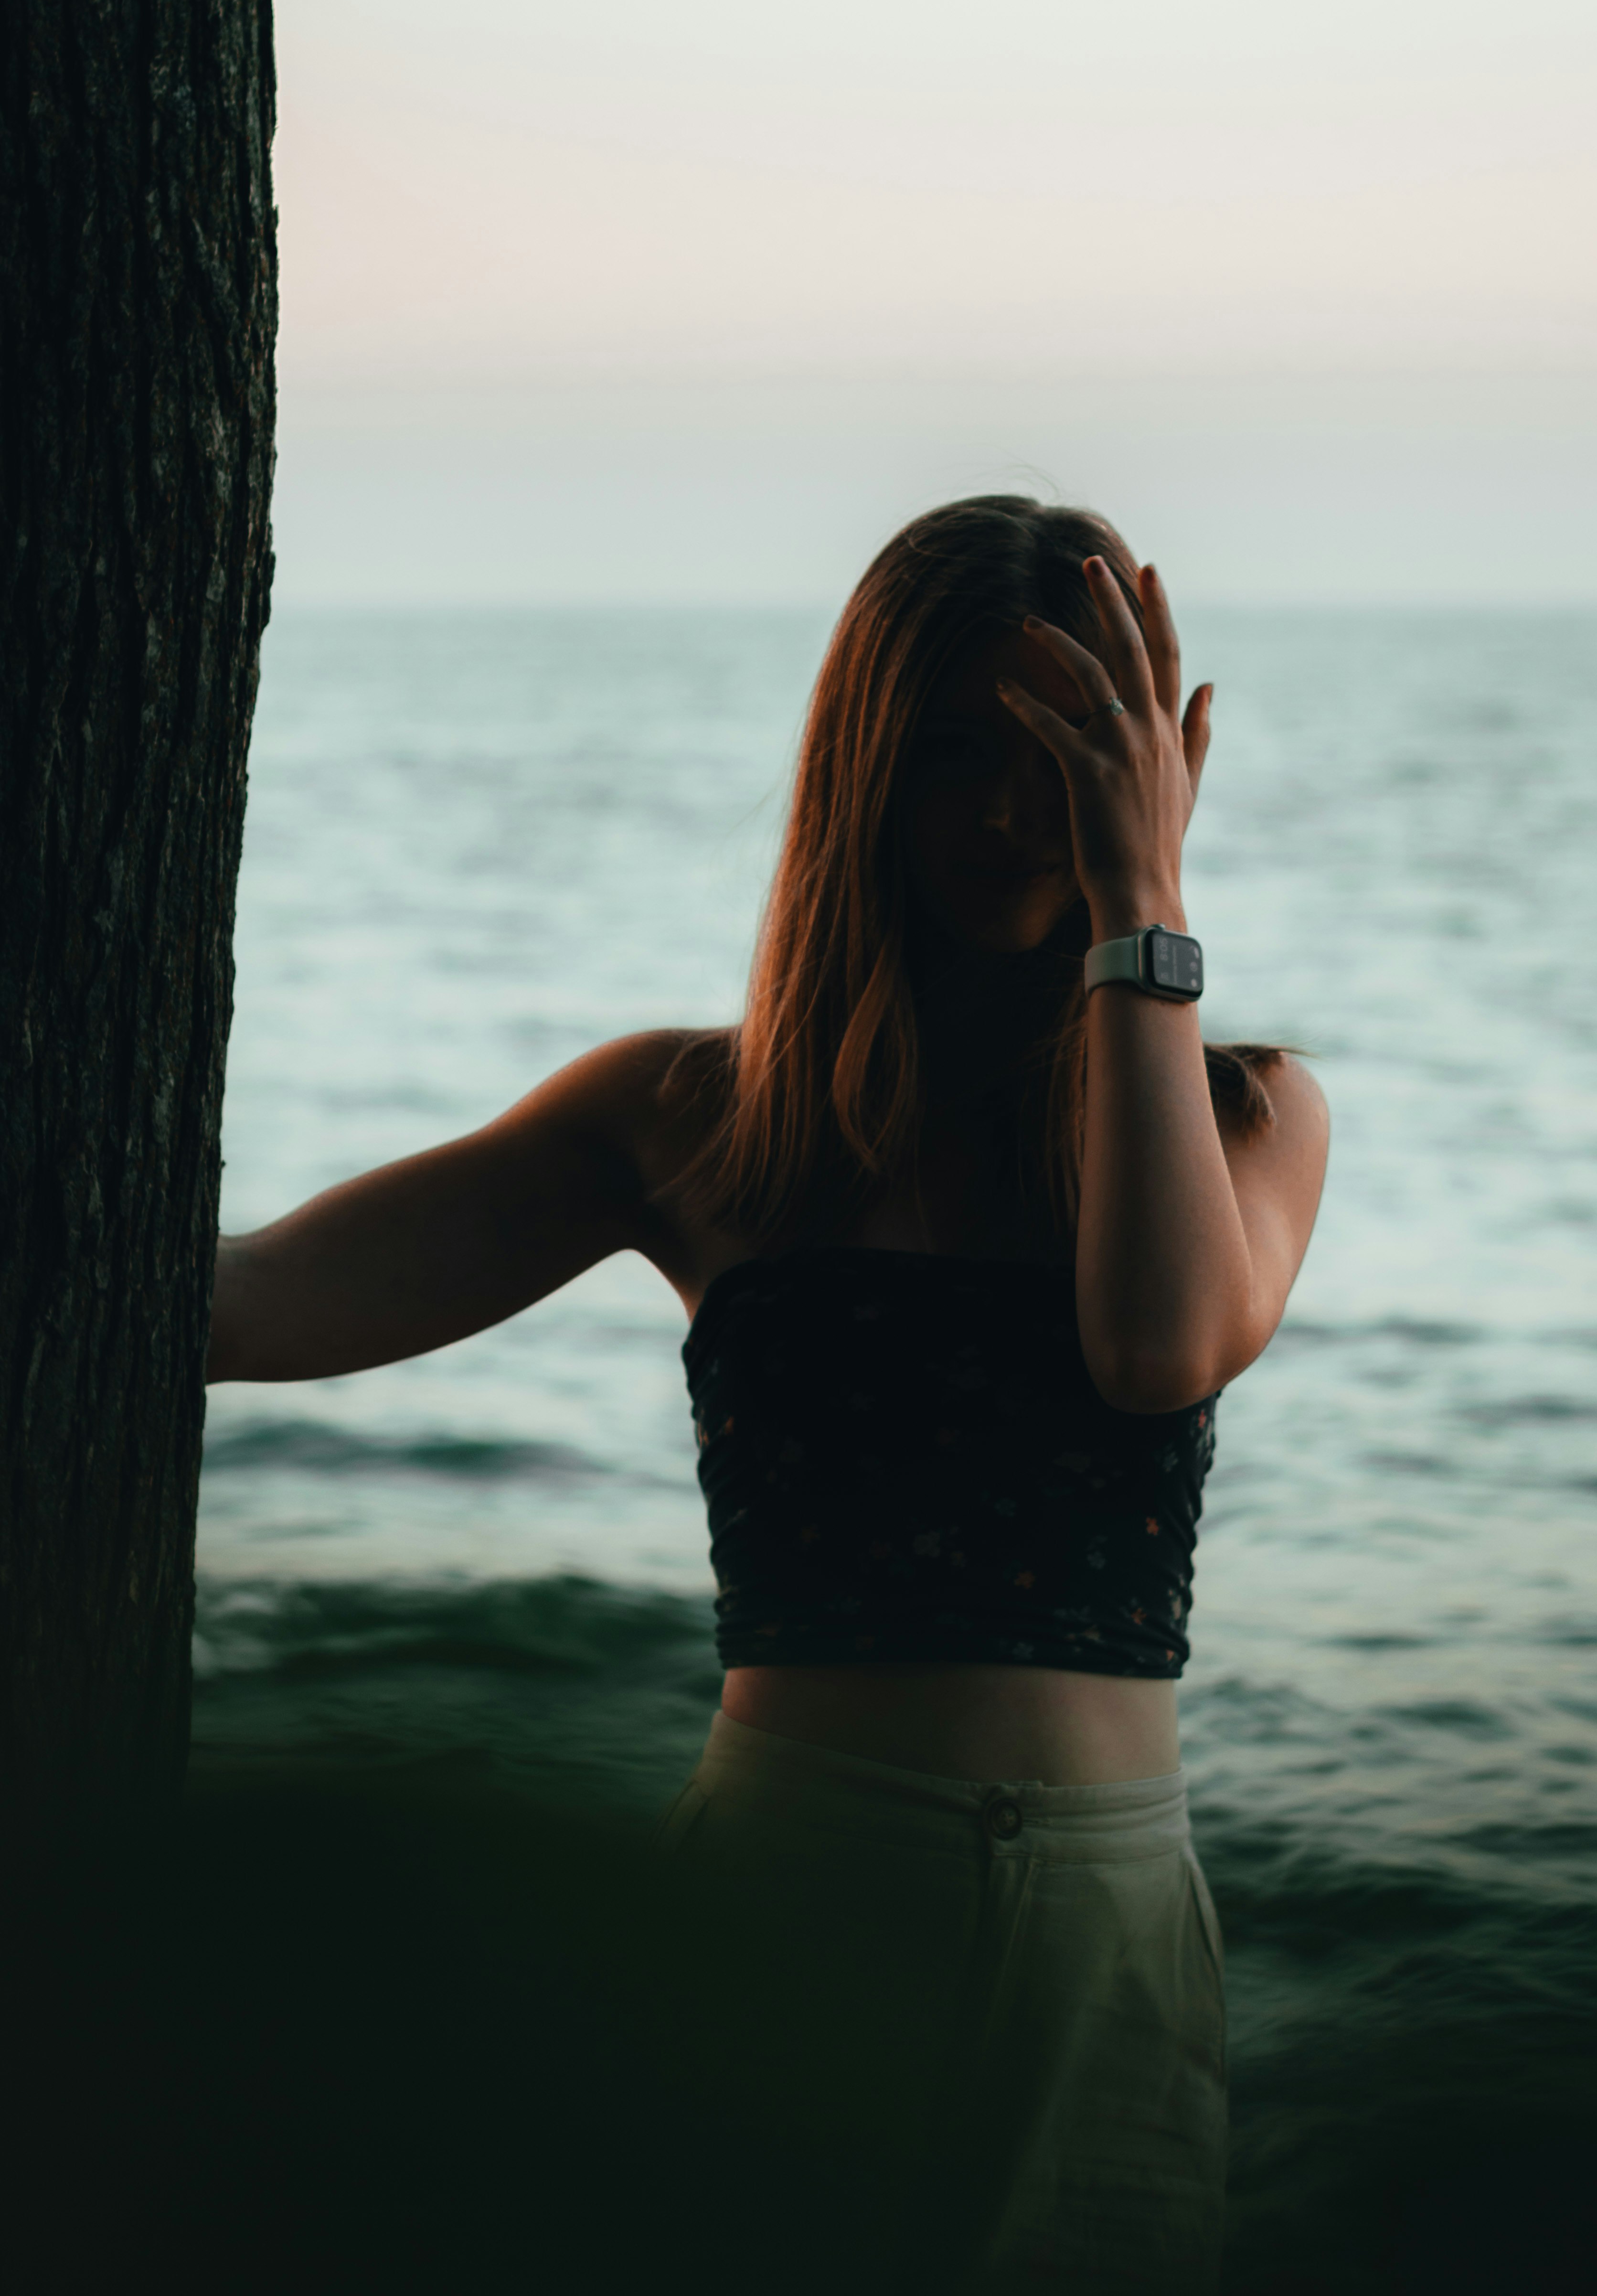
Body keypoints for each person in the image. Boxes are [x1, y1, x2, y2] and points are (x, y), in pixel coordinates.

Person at [209, 495, 1329, 2290]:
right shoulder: (697, 1118)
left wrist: (1148, 903)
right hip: (799, 1883)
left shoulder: (1250, 1117)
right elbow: (239, 1307)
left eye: (1054, 753)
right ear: (864, 766)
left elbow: (1155, 1345)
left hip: (1112, 1933)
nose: (998, 807)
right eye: (950, 747)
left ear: (1139, 771)